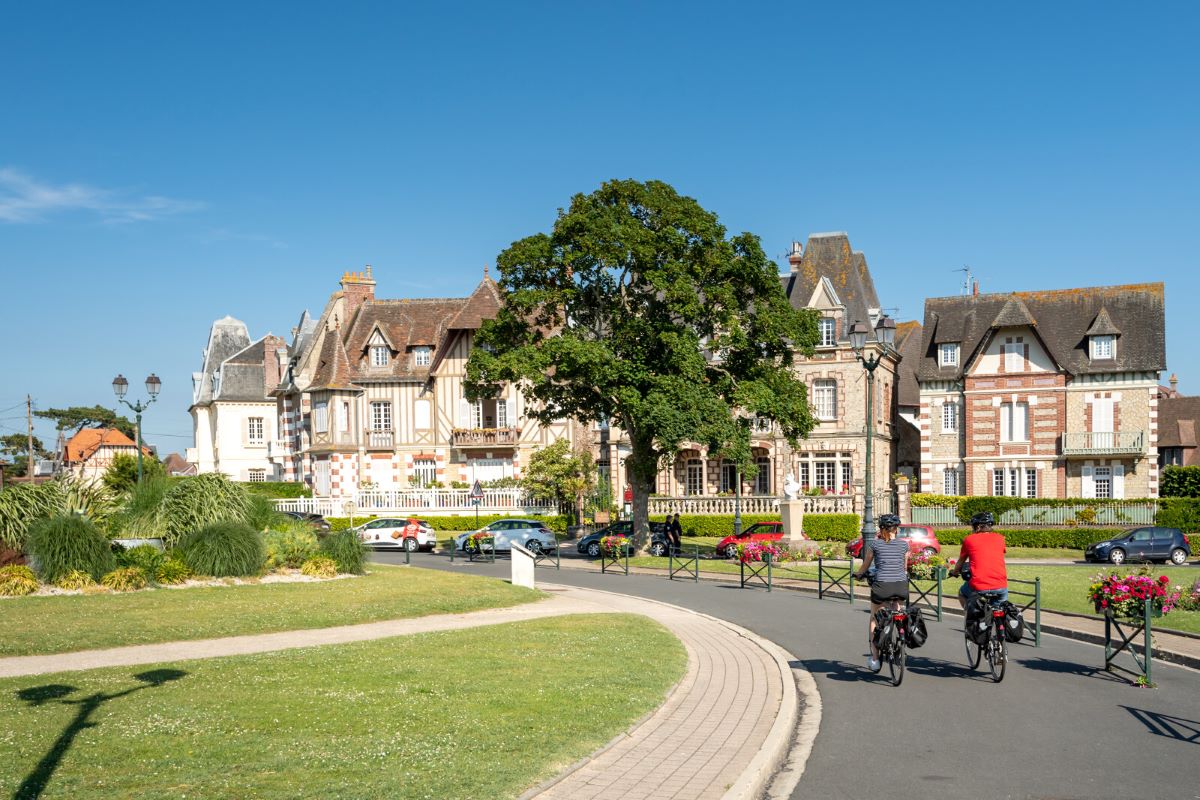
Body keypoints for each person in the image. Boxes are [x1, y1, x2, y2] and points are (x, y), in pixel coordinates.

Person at [853, 514, 909, 671]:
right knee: (897, 608)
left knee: (874, 618)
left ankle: (875, 659)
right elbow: (904, 568)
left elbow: (866, 565)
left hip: (882, 587)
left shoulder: (875, 545)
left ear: (881, 529)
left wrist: (858, 575)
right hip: (900, 586)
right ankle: (900, 630)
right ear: (896, 529)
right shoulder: (904, 545)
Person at [949, 511, 1008, 609]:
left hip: (979, 585)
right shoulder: (1001, 538)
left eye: (973, 526)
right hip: (1001, 586)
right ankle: (999, 623)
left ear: (978, 527)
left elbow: (961, 561)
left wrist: (955, 572)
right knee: (999, 610)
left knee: (962, 593)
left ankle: (970, 618)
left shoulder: (969, 539)